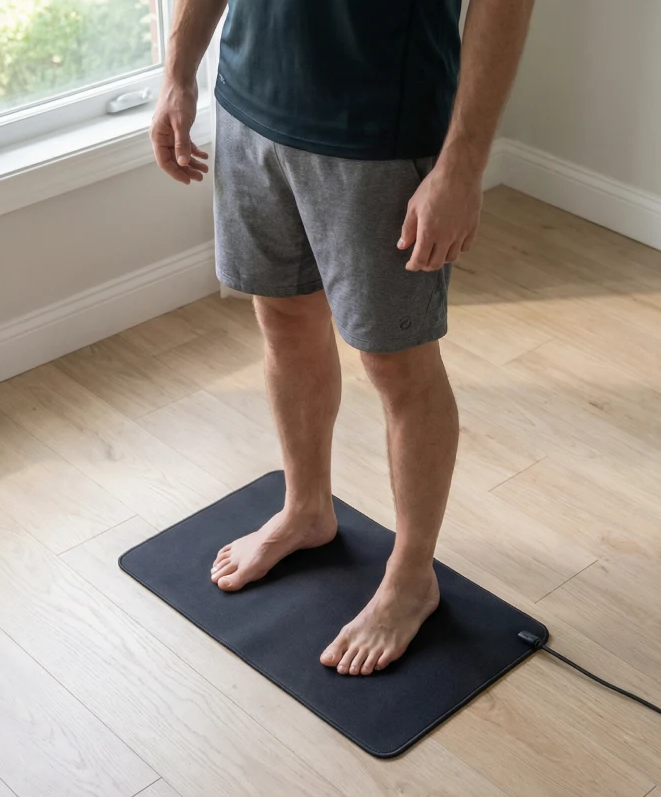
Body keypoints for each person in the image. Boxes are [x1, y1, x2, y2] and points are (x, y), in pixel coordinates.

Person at [151, 0, 534, 676]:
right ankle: (306, 509)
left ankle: (412, 577)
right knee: (283, 321)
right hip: (250, 102)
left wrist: (461, 168)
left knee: (397, 366)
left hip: (379, 132)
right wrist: (178, 73)